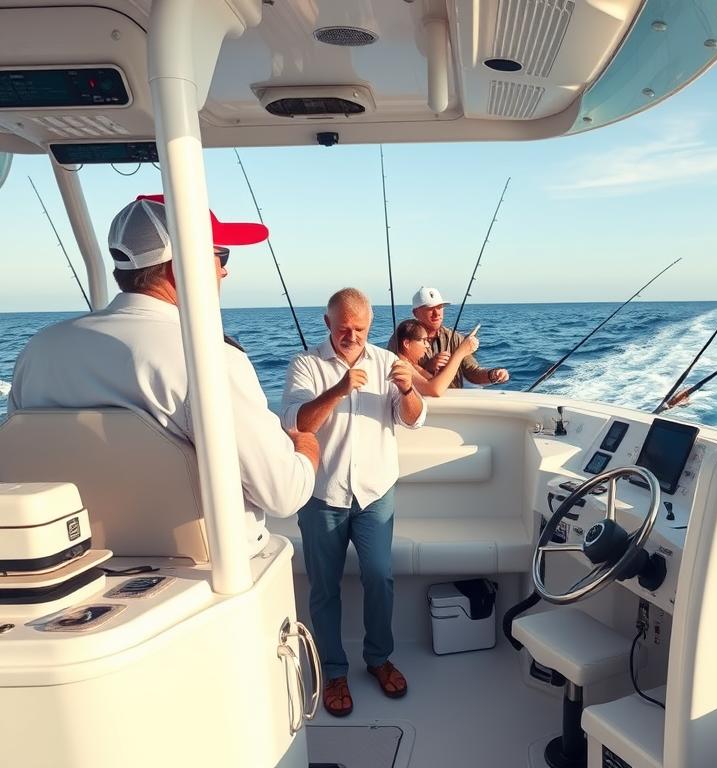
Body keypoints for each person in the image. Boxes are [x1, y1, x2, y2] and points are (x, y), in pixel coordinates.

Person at [8, 194, 319, 555]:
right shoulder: (208, 358)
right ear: (180, 268)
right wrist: (306, 447)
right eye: (220, 256)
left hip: (76, 562)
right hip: (208, 572)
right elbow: (283, 493)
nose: (224, 271)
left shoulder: (39, 349)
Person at [281, 288, 425, 718]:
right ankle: (334, 670)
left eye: (360, 329)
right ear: (327, 323)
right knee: (324, 588)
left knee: (380, 577)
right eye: (343, 328)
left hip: (376, 493)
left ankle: (379, 659)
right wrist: (339, 389)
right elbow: (296, 422)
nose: (352, 336)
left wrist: (409, 389)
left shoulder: (387, 363)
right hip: (322, 495)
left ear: (371, 325)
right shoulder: (305, 365)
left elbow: (414, 419)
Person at [386, 286, 509, 389]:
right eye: (430, 308)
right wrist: (429, 366)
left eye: (440, 307)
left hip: (449, 401)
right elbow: (396, 373)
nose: (437, 313)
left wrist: (493, 375)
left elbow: (472, 372)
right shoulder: (401, 337)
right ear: (415, 313)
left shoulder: (455, 338)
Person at [392, 318, 481, 397]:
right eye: (424, 341)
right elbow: (434, 390)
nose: (427, 345)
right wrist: (461, 352)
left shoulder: (412, 365)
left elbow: (436, 382)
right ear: (406, 344)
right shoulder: (402, 365)